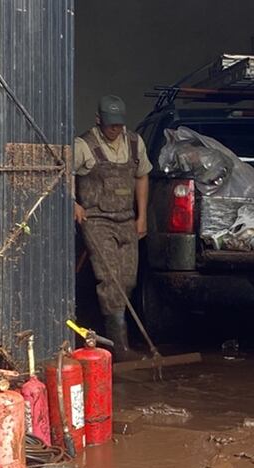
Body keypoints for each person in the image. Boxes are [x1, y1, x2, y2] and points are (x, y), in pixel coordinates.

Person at [73, 95, 152, 360]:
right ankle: (120, 347)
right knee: (111, 280)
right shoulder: (84, 145)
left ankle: (114, 338)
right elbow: (66, 174)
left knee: (127, 280)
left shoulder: (134, 142)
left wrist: (142, 217)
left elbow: (142, 177)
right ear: (99, 121)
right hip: (97, 220)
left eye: (118, 125)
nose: (115, 130)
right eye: (110, 126)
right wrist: (74, 202)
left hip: (127, 219)